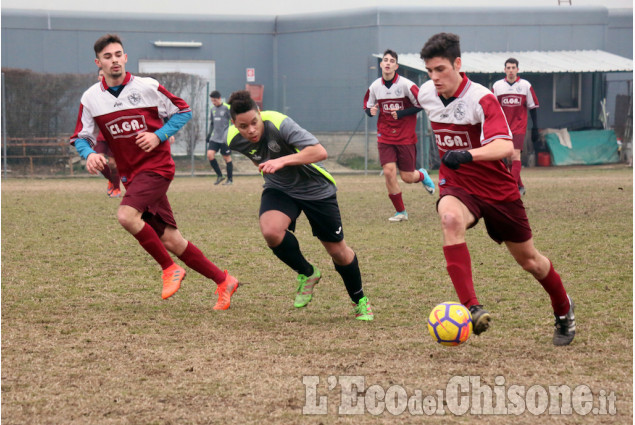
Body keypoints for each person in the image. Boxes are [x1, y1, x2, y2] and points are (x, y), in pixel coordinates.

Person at [417, 32, 575, 346]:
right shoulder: (425, 93)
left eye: (440, 70)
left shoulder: (480, 98)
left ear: (458, 64)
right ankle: (471, 308)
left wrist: (467, 154)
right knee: (449, 220)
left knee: (530, 261)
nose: (434, 78)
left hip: (497, 189)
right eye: (430, 71)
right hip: (458, 184)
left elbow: (504, 146)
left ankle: (563, 308)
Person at [70, 34, 239, 310]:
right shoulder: (91, 98)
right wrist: (89, 155)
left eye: (118, 54)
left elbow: (183, 111)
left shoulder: (147, 87)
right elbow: (81, 136)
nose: (114, 60)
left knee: (126, 216)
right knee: (172, 239)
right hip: (132, 176)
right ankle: (224, 281)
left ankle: (169, 269)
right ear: (98, 63)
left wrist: (159, 135)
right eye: (107, 56)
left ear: (125, 58)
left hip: (157, 168)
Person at [225, 90, 373, 320]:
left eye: (254, 122)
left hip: (316, 189)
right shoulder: (232, 139)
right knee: (271, 232)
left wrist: (281, 161)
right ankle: (307, 273)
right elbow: (257, 154)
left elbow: (319, 151)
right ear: (234, 123)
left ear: (260, 114)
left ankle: (360, 300)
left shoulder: (280, 124)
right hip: (280, 188)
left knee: (338, 252)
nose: (251, 130)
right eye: (243, 126)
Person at [363, 49, 435, 222]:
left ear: (396, 66)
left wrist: (401, 113)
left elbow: (421, 104)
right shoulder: (375, 86)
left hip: (405, 136)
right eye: (385, 60)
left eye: (391, 61)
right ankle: (401, 212)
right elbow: (368, 106)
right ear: (381, 65)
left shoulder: (406, 85)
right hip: (385, 135)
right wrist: (370, 111)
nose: (388, 63)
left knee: (408, 177)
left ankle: (423, 175)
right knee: (389, 172)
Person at [492, 58, 540, 196]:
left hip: (519, 126)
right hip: (503, 128)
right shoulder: (497, 86)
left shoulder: (525, 85)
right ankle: (520, 186)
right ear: (504, 69)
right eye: (508, 67)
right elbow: (492, 108)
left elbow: (533, 107)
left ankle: (510, 189)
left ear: (517, 69)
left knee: (514, 155)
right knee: (508, 158)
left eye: (513, 67)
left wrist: (535, 127)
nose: (511, 70)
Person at [95, 69, 122, 198]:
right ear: (98, 77)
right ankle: (112, 179)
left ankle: (116, 187)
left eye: (105, 75)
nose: (103, 77)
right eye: (101, 75)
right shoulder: (93, 94)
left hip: (114, 133)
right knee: (97, 161)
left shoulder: (118, 91)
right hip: (100, 133)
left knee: (112, 163)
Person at [206, 91, 233, 185]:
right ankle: (220, 175)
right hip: (215, 137)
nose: (214, 102)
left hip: (225, 137)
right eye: (212, 101)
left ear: (220, 98)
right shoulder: (212, 109)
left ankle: (230, 180)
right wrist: (209, 134)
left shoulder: (227, 108)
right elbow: (212, 123)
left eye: (215, 100)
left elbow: (233, 121)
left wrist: (232, 133)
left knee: (227, 158)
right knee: (210, 155)